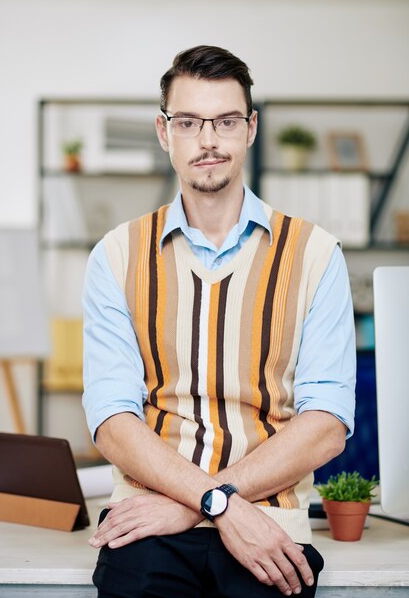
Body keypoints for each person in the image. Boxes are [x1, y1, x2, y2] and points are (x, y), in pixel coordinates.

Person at [82, 45, 356, 598]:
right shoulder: (115, 255)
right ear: (165, 133)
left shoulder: (317, 254)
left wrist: (206, 502)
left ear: (250, 129)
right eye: (189, 122)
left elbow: (326, 423)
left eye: (226, 121)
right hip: (146, 531)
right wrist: (216, 503)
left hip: (270, 528)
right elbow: (113, 421)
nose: (208, 140)